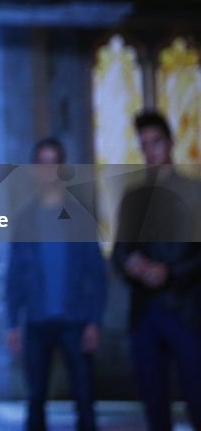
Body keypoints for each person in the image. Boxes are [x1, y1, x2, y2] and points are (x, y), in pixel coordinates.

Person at [6, 138, 106, 431]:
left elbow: (96, 273)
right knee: (35, 399)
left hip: (75, 320)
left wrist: (95, 321)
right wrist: (12, 322)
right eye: (42, 162)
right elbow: (15, 273)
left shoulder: (80, 218)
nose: (48, 169)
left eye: (53, 162)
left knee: (84, 397)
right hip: (36, 321)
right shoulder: (24, 220)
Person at [111, 110, 201, 431]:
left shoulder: (194, 192)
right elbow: (119, 251)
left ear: (170, 143)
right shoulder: (133, 197)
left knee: (197, 397)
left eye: (156, 142)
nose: (151, 151)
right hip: (144, 313)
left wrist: (169, 272)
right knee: (153, 404)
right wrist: (133, 265)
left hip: (186, 310)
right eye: (145, 145)